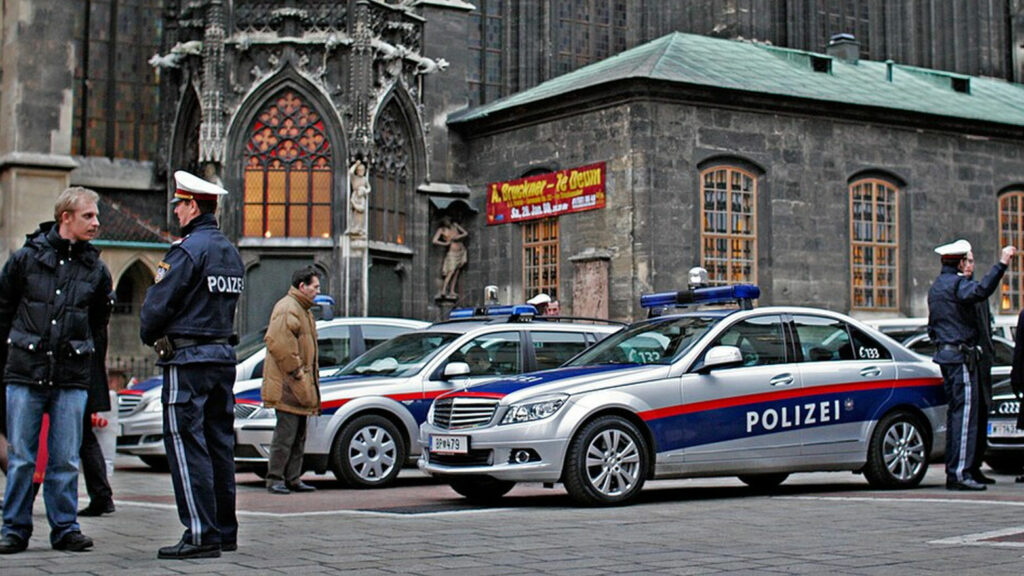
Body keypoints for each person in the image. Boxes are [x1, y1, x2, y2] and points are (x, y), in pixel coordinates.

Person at [0, 187, 112, 554]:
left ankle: (65, 528)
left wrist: (93, 383)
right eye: (88, 216)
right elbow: (3, 312)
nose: (96, 223)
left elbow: (98, 326)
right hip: (26, 370)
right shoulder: (25, 260)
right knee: (22, 458)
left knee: (65, 458)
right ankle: (14, 529)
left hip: (70, 375)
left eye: (96, 216)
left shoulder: (96, 270)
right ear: (66, 217)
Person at [140, 170, 244, 560]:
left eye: (180, 205)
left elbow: (155, 307)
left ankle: (201, 534)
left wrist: (151, 333)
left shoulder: (186, 250)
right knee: (219, 445)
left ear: (193, 207)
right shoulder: (230, 252)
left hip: (188, 360)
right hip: (221, 357)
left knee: (187, 445)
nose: (176, 212)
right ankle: (224, 530)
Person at [927, 239, 1015, 491]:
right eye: (966, 260)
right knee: (965, 417)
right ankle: (959, 474)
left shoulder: (937, 287)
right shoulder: (957, 285)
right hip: (960, 358)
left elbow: (932, 327)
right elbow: (981, 290)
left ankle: (957, 470)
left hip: (947, 356)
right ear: (960, 262)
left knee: (957, 416)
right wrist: (1001, 264)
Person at [261, 266, 322, 495]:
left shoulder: (302, 309)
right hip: (289, 384)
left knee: (297, 435)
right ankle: (276, 478)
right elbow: (279, 343)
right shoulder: (289, 308)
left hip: (297, 383)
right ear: (302, 286)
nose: (318, 291)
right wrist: (297, 372)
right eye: (315, 286)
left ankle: (292, 478)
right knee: (286, 435)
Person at [965, 259, 997, 486]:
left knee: (982, 413)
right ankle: (968, 467)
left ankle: (976, 465)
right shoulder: (959, 292)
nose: (969, 265)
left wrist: (989, 352)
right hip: (969, 362)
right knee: (971, 417)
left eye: (972, 261)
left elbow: (986, 328)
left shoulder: (978, 293)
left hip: (983, 361)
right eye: (965, 261)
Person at [432, 216, 468, 297]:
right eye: (445, 220)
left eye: (448, 220)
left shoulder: (455, 225)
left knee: (457, 272)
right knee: (451, 271)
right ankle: (444, 290)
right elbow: (434, 241)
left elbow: (465, 233)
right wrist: (445, 244)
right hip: (452, 252)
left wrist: (458, 237)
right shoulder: (441, 230)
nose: (447, 221)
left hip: (461, 251)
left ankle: (452, 290)